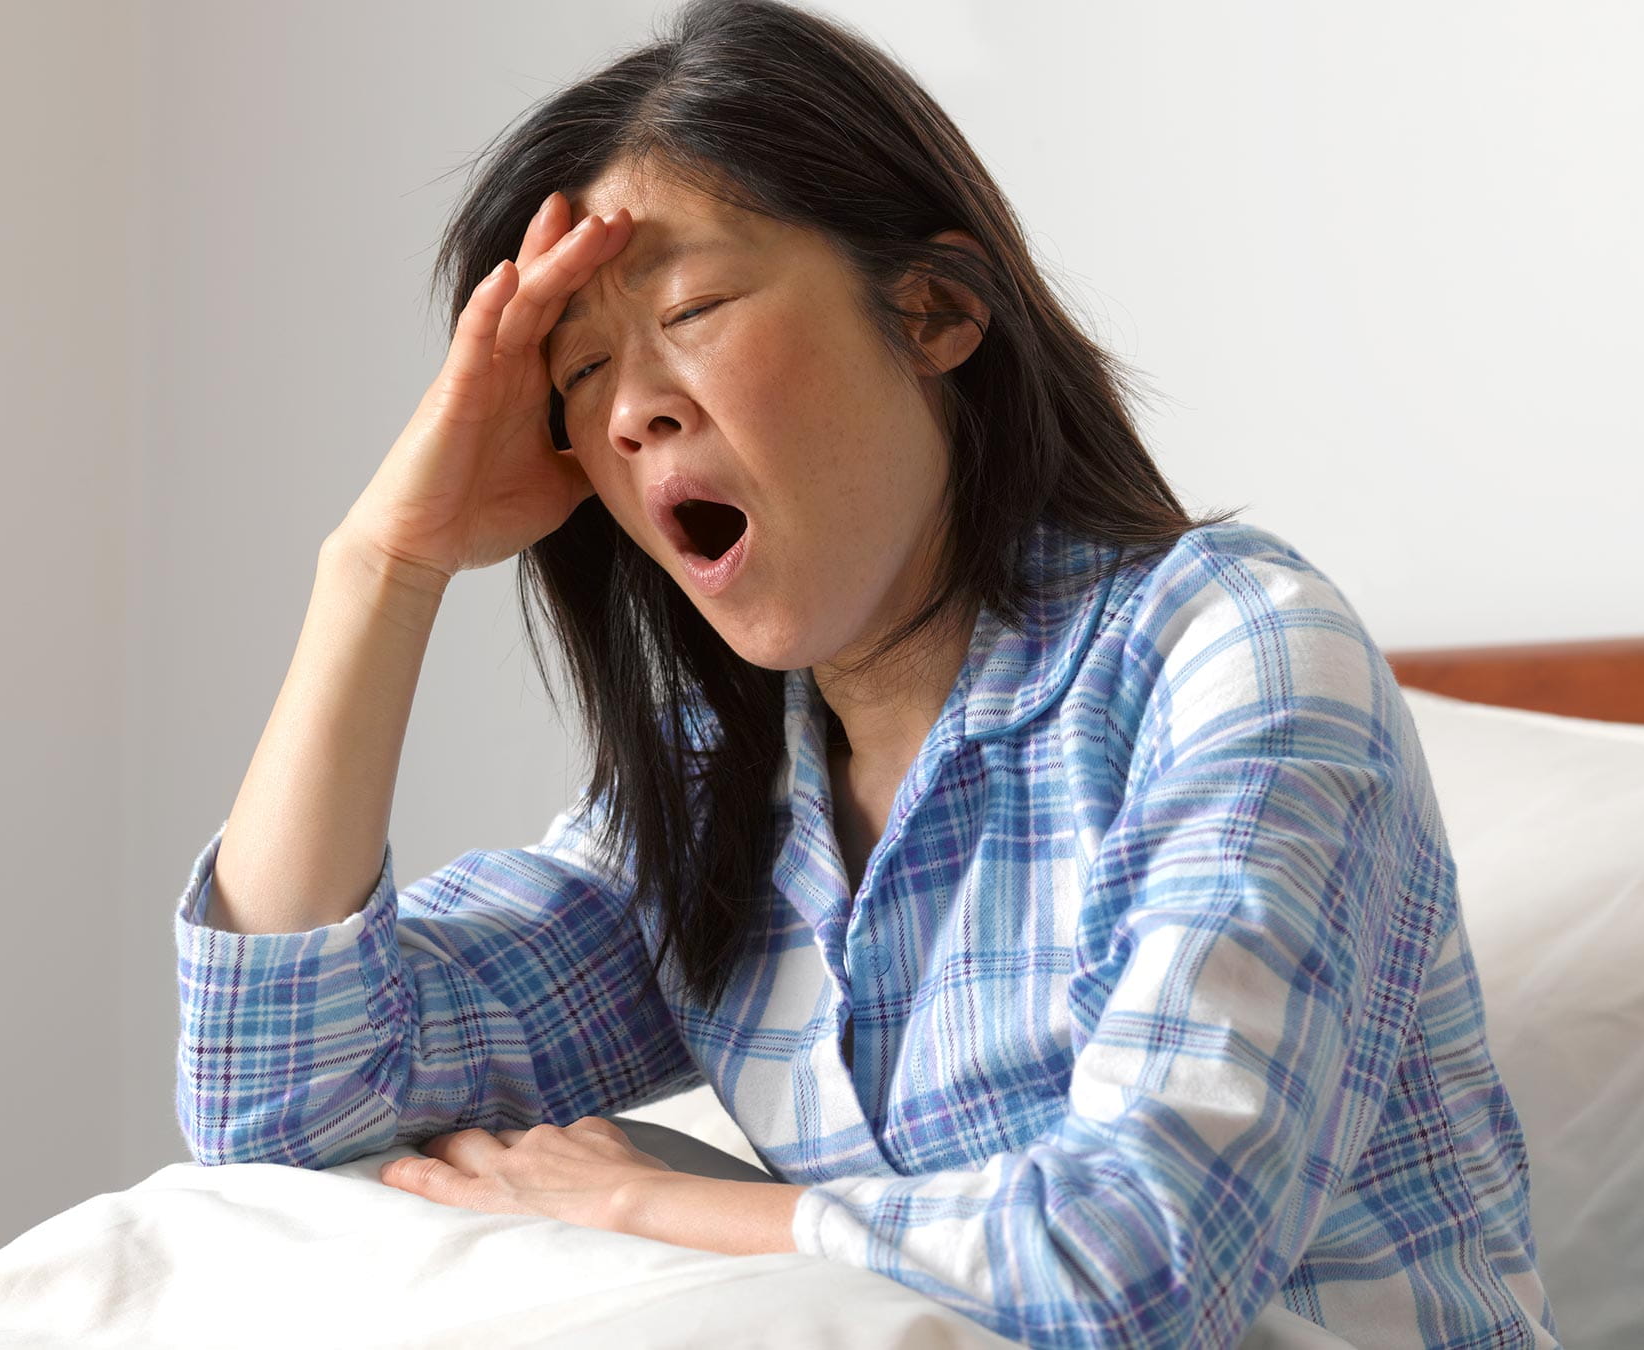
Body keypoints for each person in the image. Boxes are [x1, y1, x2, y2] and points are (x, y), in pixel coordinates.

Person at [169, 1, 1556, 1345]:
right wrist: (383, 563)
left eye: (694, 307)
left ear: (938, 311)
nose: (634, 405)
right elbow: (283, 1086)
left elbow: (1136, 1262)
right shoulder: (719, 791)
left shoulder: (1233, 654)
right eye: (581, 371)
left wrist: (667, 1200)